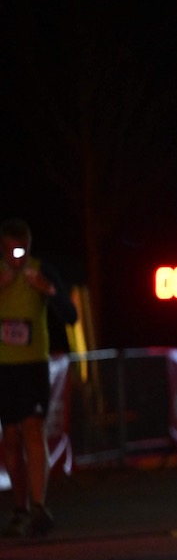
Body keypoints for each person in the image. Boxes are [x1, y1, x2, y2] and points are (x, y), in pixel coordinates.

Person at [1, 219, 77, 538]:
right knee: (11, 438)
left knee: (33, 428)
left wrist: (48, 290)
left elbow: (70, 315)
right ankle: (19, 508)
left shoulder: (41, 269)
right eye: (9, 250)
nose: (16, 256)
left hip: (32, 365)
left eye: (21, 249)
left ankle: (38, 506)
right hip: (3, 368)